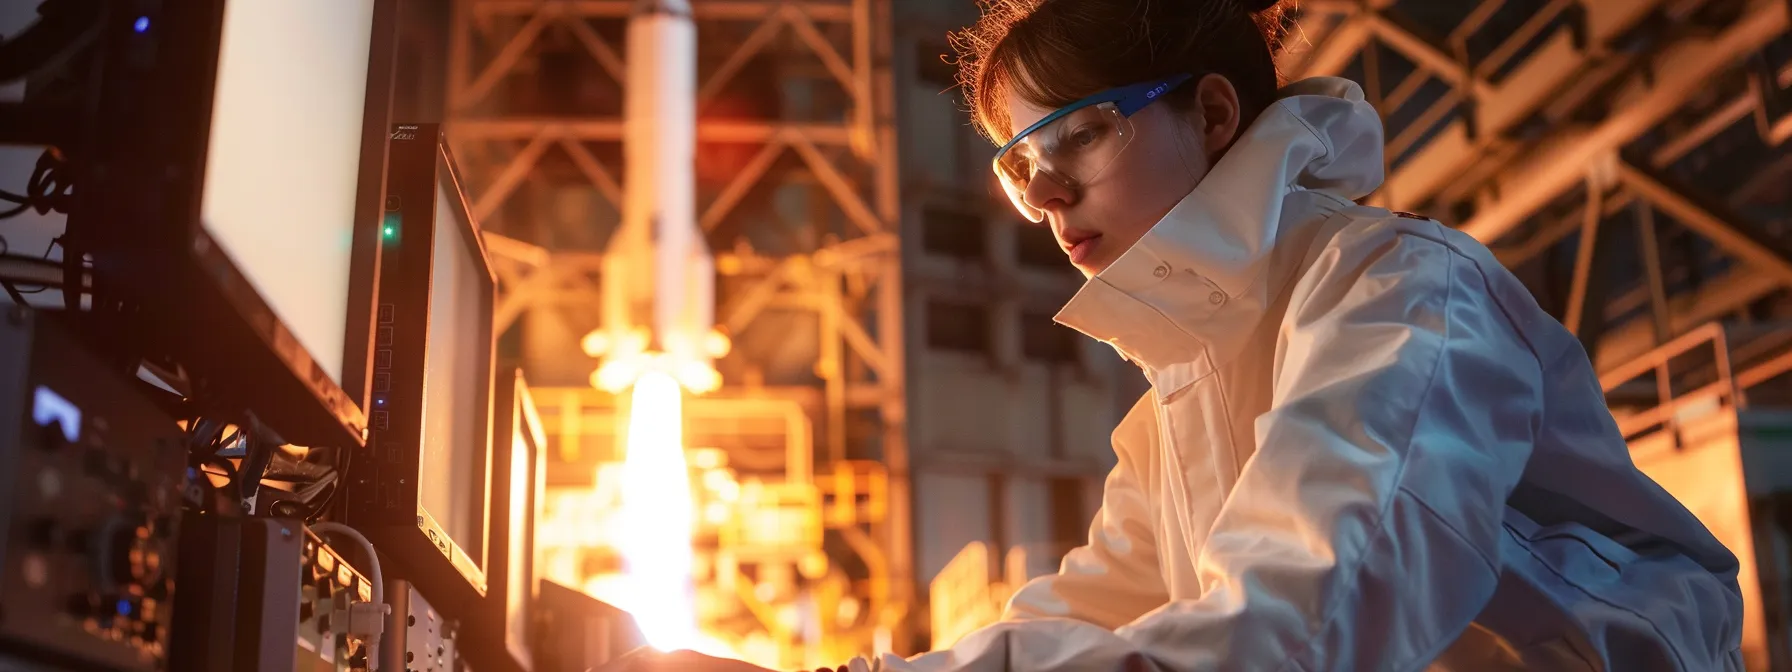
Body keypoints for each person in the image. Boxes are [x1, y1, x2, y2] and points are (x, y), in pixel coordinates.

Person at [612, 0, 1747, 670]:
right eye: (1019, 169)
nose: (1047, 197)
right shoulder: (1180, 398)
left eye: (1079, 138)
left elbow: (1315, 598)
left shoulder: (1397, 295)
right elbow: (1089, 611)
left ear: (1211, 113)